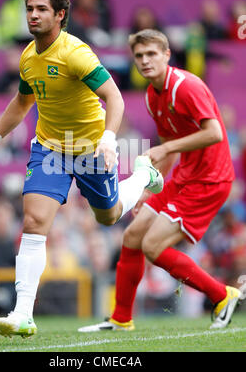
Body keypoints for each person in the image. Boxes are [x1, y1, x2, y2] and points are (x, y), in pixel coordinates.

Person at [0, 0, 163, 338]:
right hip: (50, 148)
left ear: (60, 14)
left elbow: (114, 98)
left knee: (109, 215)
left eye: (41, 10)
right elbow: (22, 102)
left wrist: (110, 139)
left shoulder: (76, 53)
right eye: (30, 9)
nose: (33, 16)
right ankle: (22, 313)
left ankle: (143, 176)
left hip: (89, 148)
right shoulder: (27, 57)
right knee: (34, 222)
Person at [78, 28, 242, 333]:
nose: (145, 60)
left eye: (152, 53)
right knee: (132, 238)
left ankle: (223, 295)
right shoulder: (153, 95)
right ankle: (121, 319)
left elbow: (215, 133)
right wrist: (149, 189)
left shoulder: (185, 86)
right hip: (184, 176)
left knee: (153, 247)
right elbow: (169, 143)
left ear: (167, 55)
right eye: (139, 55)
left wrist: (166, 147)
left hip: (209, 180)